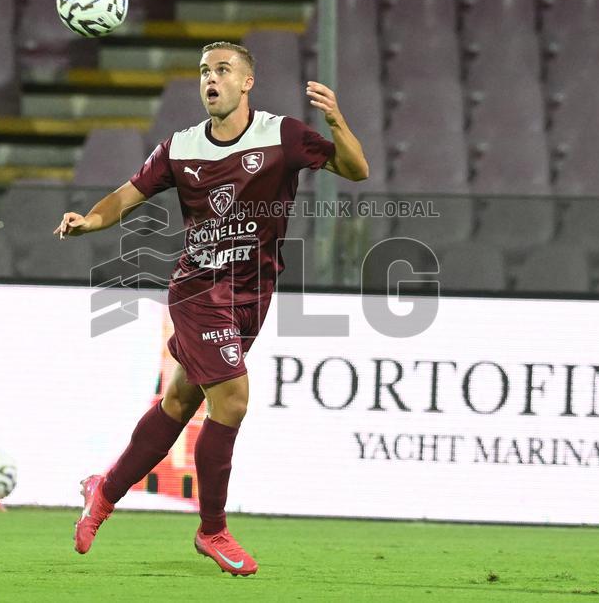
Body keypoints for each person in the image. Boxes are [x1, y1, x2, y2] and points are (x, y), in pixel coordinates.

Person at [53, 41, 369, 576]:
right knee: (233, 400)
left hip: (254, 294)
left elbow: (356, 170)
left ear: (247, 82)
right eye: (204, 72)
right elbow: (127, 195)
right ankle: (212, 529)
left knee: (179, 401)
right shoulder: (181, 147)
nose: (211, 80)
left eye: (223, 70)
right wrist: (90, 220)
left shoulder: (282, 135)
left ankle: (103, 491)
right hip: (199, 291)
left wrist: (336, 121)